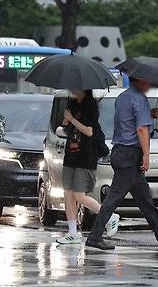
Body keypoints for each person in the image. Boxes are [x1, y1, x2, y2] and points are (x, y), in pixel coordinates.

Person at [85, 77, 158, 250]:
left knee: (144, 198)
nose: (149, 84)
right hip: (130, 154)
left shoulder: (123, 97)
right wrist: (146, 154)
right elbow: (141, 129)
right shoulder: (139, 99)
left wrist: (149, 115)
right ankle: (95, 236)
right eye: (147, 82)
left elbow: (128, 119)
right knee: (114, 197)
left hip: (120, 151)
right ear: (139, 81)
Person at [56, 89, 119, 244]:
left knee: (79, 195)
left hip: (85, 156)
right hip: (71, 155)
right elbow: (68, 130)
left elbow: (89, 131)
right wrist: (65, 123)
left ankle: (109, 216)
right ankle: (72, 232)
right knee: (68, 194)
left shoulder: (90, 107)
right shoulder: (72, 105)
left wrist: (72, 119)